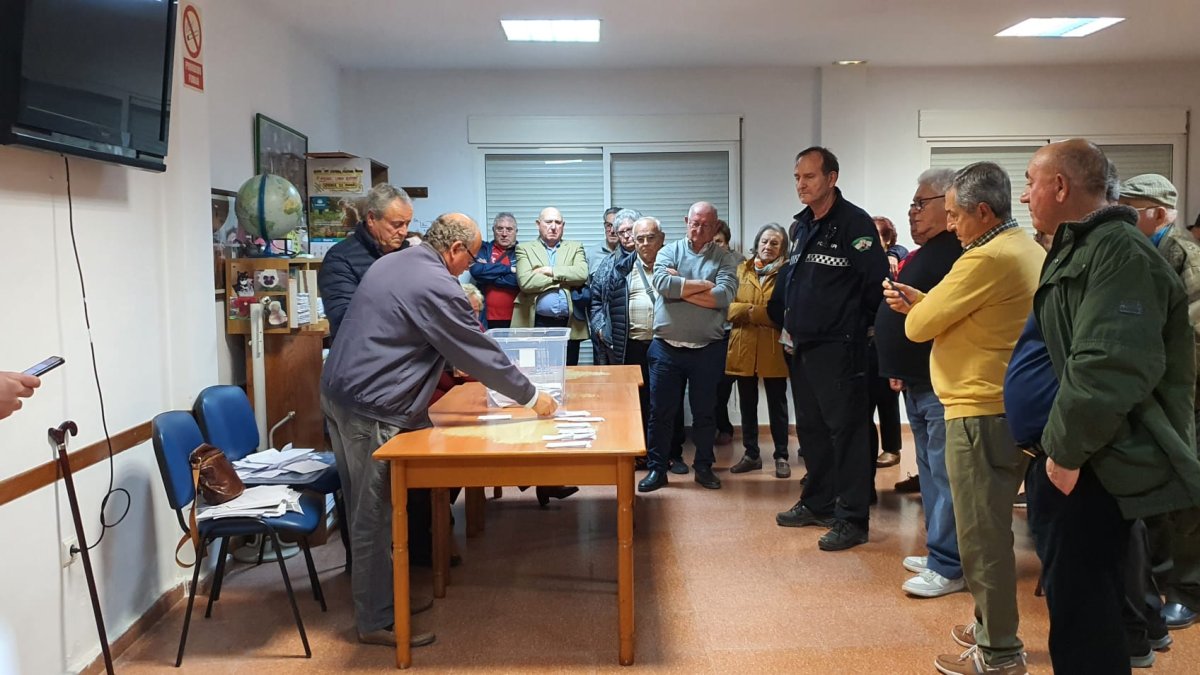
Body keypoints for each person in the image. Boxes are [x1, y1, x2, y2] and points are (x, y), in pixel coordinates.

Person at [321, 213, 559, 648]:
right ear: (453, 250)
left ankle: (384, 601)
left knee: (369, 508)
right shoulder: (435, 282)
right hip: (371, 406)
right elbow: (479, 351)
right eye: (470, 256)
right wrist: (531, 397)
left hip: (340, 394)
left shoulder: (396, 261)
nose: (469, 265)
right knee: (373, 515)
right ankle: (375, 620)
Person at [1015, 139, 1200, 673]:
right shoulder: (1083, 246)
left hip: (1093, 459)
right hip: (1076, 455)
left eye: (1030, 181)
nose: (1025, 195)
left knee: (1085, 612)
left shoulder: (1118, 251)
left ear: (1060, 186)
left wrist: (1066, 453)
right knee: (1081, 604)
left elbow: (1110, 362)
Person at [885, 162, 1042, 675]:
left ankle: (998, 651)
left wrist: (917, 310)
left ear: (981, 211)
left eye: (954, 215)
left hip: (979, 409)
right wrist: (925, 304)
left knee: (982, 536)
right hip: (1001, 406)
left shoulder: (986, 257)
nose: (949, 225)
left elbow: (922, 327)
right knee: (986, 527)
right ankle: (988, 627)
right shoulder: (1021, 247)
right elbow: (961, 313)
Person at [771, 146, 887, 552]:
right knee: (813, 431)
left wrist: (856, 330)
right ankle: (818, 502)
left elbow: (875, 286)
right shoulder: (802, 226)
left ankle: (852, 518)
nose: (801, 184)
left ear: (831, 178)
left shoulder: (854, 224)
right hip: (802, 346)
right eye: (797, 178)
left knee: (849, 433)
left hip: (840, 348)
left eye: (810, 177)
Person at [874, 168, 964, 598]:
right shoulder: (928, 250)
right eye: (911, 205)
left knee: (946, 476)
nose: (912, 213)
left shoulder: (958, 253)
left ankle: (950, 565)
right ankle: (939, 550)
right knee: (930, 472)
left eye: (920, 204)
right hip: (917, 381)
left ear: (949, 205)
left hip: (942, 383)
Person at [1118, 173, 1200, 633]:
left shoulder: (1186, 257)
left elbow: (1188, 338)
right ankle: (1162, 584)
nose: (1127, 217)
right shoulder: (1146, 251)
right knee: (1158, 501)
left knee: (1187, 501)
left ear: (1159, 213)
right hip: (1158, 396)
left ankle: (1188, 591)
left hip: (1185, 399)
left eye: (1134, 208)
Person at [638, 202, 739, 493]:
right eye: (694, 223)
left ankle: (704, 467)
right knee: (661, 412)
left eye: (706, 225)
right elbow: (662, 284)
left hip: (708, 348)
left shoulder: (725, 258)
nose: (699, 229)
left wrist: (680, 286)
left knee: (705, 412)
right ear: (686, 221)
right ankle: (658, 469)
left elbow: (723, 296)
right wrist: (703, 284)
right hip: (666, 348)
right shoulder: (668, 251)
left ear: (716, 226)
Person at [590, 216, 684, 471]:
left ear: (660, 239)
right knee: (636, 403)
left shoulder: (675, 263)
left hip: (665, 342)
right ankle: (640, 453)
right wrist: (601, 329)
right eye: (636, 237)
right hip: (630, 344)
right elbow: (598, 302)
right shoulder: (616, 267)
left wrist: (680, 279)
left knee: (666, 401)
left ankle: (671, 454)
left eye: (648, 237)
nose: (641, 242)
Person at [727, 223, 792, 479]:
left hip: (774, 347)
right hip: (743, 345)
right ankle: (751, 454)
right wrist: (753, 312)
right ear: (757, 243)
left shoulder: (786, 273)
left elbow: (783, 314)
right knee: (747, 403)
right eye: (764, 241)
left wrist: (750, 312)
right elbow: (728, 308)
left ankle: (781, 456)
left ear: (783, 248)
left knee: (778, 404)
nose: (768, 247)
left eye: (775, 243)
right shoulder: (740, 269)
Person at [318, 184, 413, 340]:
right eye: (397, 224)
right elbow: (345, 321)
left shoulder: (410, 255)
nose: (403, 232)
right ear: (371, 219)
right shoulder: (340, 258)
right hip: (362, 357)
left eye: (407, 224)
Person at [513, 207, 589, 365]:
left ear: (563, 225)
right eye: (548, 222)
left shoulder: (575, 247)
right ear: (538, 224)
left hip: (569, 323)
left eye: (558, 222)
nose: (553, 226)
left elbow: (581, 274)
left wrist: (550, 271)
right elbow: (526, 282)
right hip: (535, 323)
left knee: (568, 372)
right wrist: (564, 277)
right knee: (533, 371)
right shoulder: (524, 249)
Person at [870, 216, 907, 469]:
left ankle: (892, 448)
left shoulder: (897, 260)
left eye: (880, 237)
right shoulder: (865, 260)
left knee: (888, 396)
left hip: (890, 336)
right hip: (865, 337)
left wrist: (894, 252)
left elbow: (903, 251)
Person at [588, 209, 641, 366]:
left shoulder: (658, 258)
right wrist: (600, 329)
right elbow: (595, 300)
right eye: (621, 232)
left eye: (629, 230)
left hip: (654, 339)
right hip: (617, 341)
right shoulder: (608, 263)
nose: (626, 235)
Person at [469, 213, 520, 330]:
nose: (504, 234)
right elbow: (476, 271)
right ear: (493, 230)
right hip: (485, 317)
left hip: (516, 317)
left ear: (516, 231)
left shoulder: (523, 252)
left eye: (509, 229)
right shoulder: (483, 248)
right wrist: (509, 270)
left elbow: (520, 280)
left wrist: (488, 273)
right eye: (500, 229)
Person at [712, 219, 738, 446]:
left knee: (724, 385)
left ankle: (725, 427)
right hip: (710, 331)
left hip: (734, 333)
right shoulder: (704, 261)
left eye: (719, 241)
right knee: (708, 385)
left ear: (727, 243)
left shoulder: (740, 263)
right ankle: (713, 427)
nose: (715, 245)